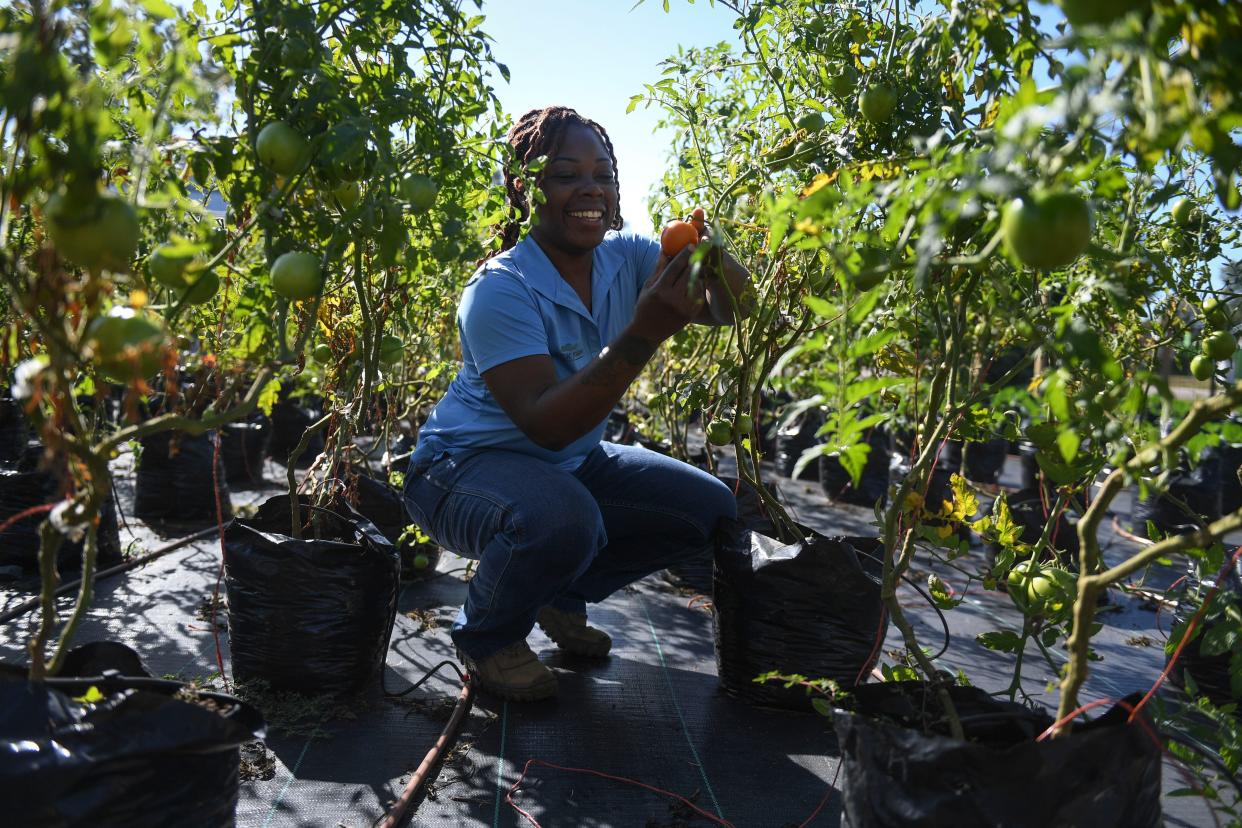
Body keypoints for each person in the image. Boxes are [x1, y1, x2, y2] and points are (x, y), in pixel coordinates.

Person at [403, 106, 752, 701]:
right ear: (525, 188)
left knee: (709, 508)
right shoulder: (500, 288)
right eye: (566, 174)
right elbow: (547, 428)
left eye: (603, 173)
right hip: (461, 471)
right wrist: (643, 334)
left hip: (568, 466)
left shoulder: (631, 257)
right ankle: (488, 636)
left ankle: (556, 594)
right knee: (563, 518)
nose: (591, 187)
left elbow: (729, 309)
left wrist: (715, 256)